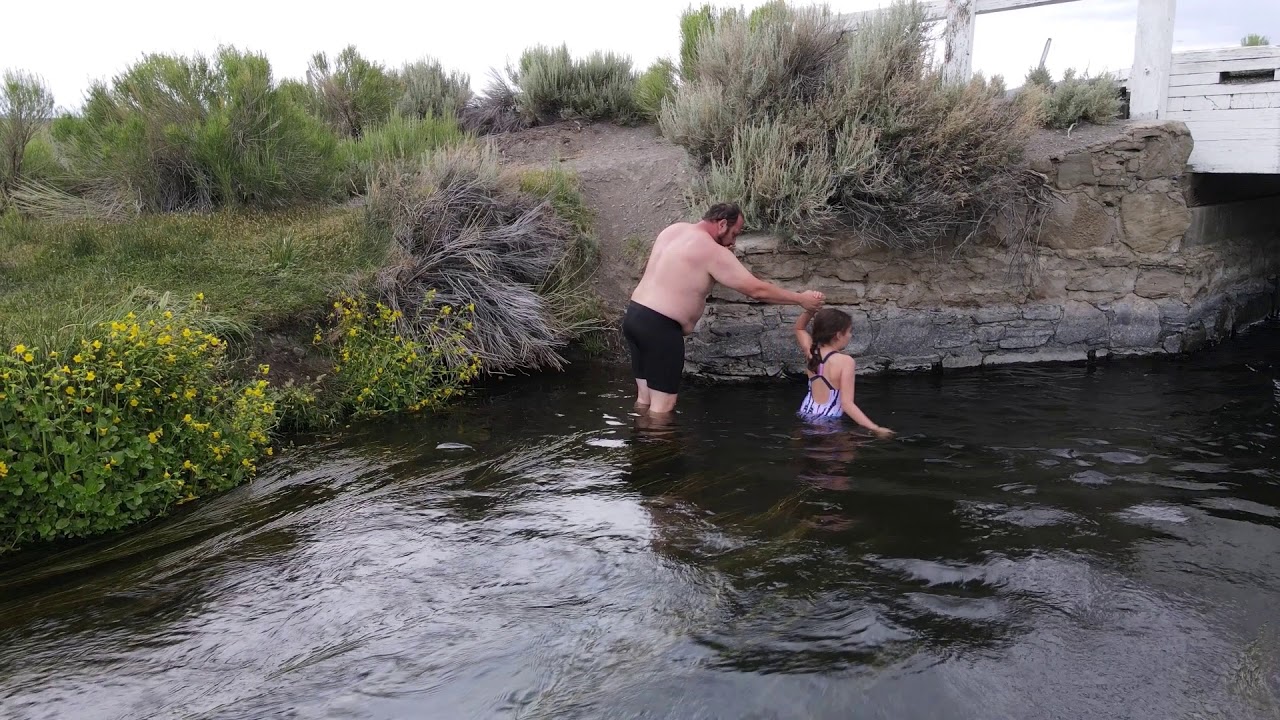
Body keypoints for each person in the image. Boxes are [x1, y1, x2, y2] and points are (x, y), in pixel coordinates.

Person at [624, 202, 827, 415]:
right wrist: (800, 299)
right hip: (660, 328)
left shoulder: (674, 230)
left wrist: (722, 250)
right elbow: (757, 290)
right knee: (663, 407)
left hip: (635, 317)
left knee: (645, 399)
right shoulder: (712, 251)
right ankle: (656, 448)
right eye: (734, 233)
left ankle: (641, 444)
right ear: (721, 224)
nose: (734, 240)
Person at [794, 307, 895, 439]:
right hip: (828, 423)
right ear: (838, 335)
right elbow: (847, 404)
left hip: (805, 414)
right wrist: (875, 429)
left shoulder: (812, 353)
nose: (850, 335)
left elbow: (799, 328)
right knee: (845, 457)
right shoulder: (845, 361)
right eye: (849, 331)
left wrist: (810, 310)